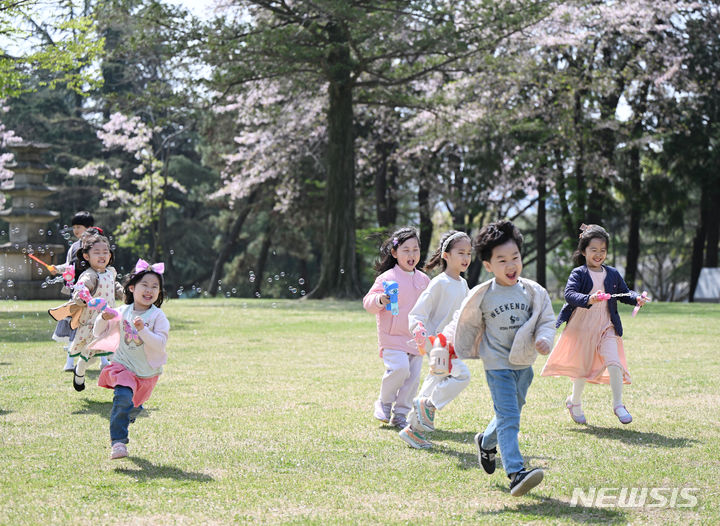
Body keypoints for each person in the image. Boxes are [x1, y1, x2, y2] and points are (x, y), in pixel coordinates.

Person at [442, 220, 555, 497]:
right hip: (497, 365)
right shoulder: (482, 294)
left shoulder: (533, 292)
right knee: (510, 418)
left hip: (524, 363)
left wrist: (544, 339)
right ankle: (516, 473)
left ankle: (486, 441)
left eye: (515, 258)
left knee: (510, 412)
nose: (510, 265)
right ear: (489, 265)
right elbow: (462, 322)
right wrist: (448, 345)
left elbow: (547, 319)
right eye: (502, 260)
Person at [541, 223, 648, 425]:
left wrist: (637, 299)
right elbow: (569, 295)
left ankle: (618, 404)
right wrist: (589, 299)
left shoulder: (613, 274)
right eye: (593, 250)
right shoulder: (578, 273)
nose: (598, 255)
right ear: (583, 251)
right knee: (582, 368)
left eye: (603, 250)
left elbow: (625, 293)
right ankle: (575, 402)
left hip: (606, 325)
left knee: (614, 361)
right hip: (581, 327)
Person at [399, 230, 472, 449]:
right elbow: (417, 313)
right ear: (446, 255)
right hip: (437, 343)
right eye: (461, 252)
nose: (466, 258)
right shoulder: (439, 283)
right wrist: (419, 330)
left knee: (434, 382)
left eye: (469, 253)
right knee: (463, 375)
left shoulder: (463, 284)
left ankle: (412, 430)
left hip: (450, 343)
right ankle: (428, 405)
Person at [92, 259, 169, 459]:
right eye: (144, 285)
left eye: (155, 287)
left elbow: (159, 344)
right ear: (132, 287)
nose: (149, 290)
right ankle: (118, 442)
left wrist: (143, 330)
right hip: (122, 366)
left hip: (146, 373)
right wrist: (103, 319)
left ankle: (133, 410)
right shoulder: (122, 312)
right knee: (122, 397)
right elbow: (97, 332)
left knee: (132, 406)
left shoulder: (157, 317)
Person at [363, 227, 431, 429]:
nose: (411, 255)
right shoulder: (386, 278)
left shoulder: (424, 280)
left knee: (412, 380)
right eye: (406, 250)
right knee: (400, 369)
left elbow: (430, 307)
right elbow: (368, 302)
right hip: (392, 337)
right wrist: (380, 299)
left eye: (415, 250)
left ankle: (401, 414)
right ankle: (383, 403)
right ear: (394, 253)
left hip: (415, 339)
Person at [49, 230, 123, 391]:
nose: (102, 255)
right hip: (91, 323)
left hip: (110, 320)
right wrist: (85, 298)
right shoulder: (89, 276)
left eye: (105, 252)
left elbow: (115, 286)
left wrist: (127, 296)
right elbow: (79, 292)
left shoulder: (110, 272)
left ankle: (123, 384)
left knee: (115, 351)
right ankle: (79, 372)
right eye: (97, 252)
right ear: (87, 256)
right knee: (89, 356)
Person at [49, 212, 107, 372]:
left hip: (95, 293)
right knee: (75, 326)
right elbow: (69, 266)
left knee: (98, 326)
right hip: (77, 294)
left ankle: (104, 361)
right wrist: (57, 269)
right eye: (74, 227)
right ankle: (69, 364)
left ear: (89, 228)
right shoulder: (74, 247)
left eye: (79, 227)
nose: (75, 230)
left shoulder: (99, 246)